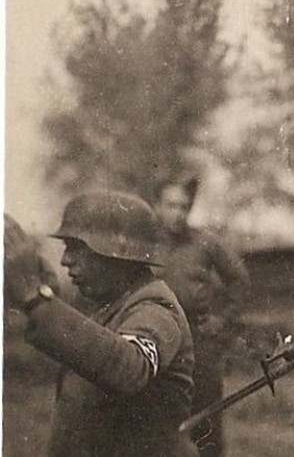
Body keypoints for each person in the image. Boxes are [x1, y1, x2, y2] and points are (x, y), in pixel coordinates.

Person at [3, 191, 198, 457]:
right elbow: (95, 352)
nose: (65, 260)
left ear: (119, 254)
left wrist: (36, 300)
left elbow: (129, 367)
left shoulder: (156, 309)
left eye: (77, 247)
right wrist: (48, 298)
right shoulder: (116, 305)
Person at [154, 175, 251, 457]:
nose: (178, 214)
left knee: (206, 425)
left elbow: (239, 279)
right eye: (171, 206)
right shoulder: (143, 244)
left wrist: (223, 320)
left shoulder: (203, 242)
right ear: (157, 206)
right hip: (156, 341)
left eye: (184, 207)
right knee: (155, 425)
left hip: (199, 345)